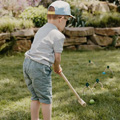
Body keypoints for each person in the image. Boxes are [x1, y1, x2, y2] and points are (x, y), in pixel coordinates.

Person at [23, 1, 75, 120]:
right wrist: (57, 67)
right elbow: (57, 57)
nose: (66, 23)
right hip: (40, 67)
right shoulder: (58, 35)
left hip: (27, 64)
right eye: (67, 20)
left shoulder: (41, 29)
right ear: (61, 19)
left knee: (35, 97)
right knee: (46, 99)